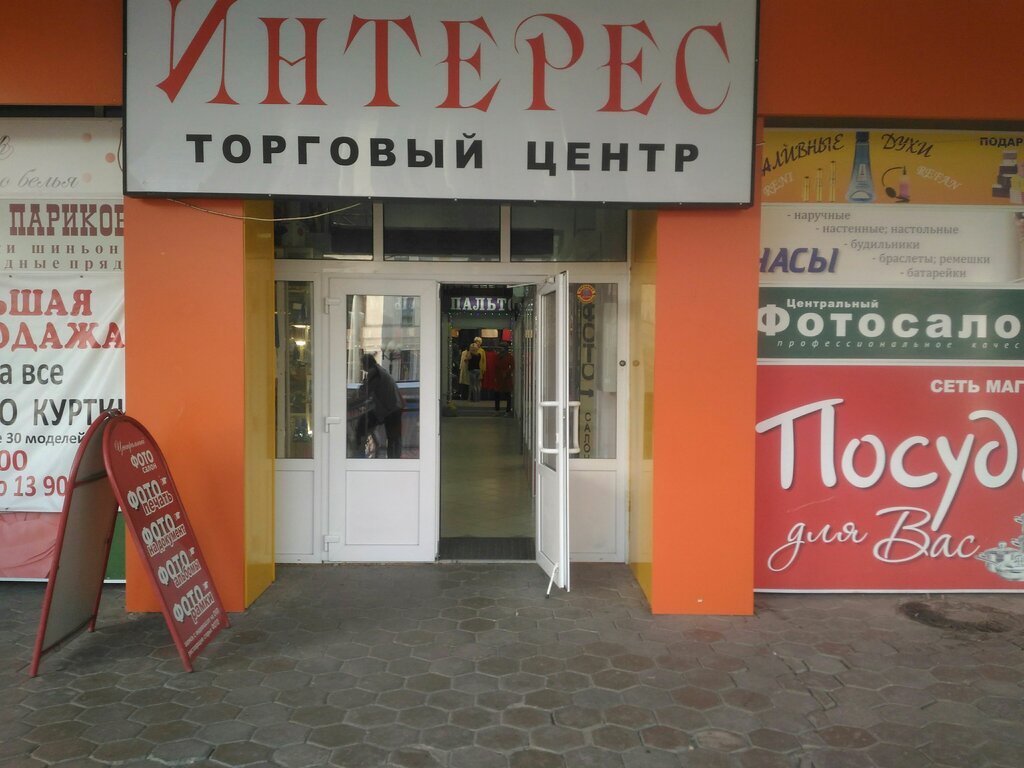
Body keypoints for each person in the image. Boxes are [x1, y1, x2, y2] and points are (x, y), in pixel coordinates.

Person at [360, 353, 404, 458]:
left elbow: (365, 391)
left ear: (366, 364)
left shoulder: (374, 373)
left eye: (362, 363)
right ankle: (395, 460)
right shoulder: (380, 370)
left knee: (392, 437)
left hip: (390, 409)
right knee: (395, 438)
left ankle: (392, 460)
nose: (361, 366)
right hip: (395, 406)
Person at [493, 345, 513, 414]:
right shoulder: (497, 356)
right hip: (499, 377)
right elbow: (495, 367)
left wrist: (506, 372)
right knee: (497, 394)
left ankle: (507, 410)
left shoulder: (509, 357)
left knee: (507, 394)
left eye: (501, 348)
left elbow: (512, 367)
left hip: (506, 378)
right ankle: (497, 409)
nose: (500, 350)